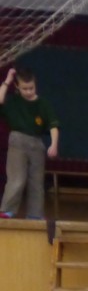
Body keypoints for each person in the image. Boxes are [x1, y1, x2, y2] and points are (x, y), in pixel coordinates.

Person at [0, 67, 60, 219]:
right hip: (17, 141)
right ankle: (7, 210)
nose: (28, 92)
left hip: (36, 143)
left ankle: (35, 214)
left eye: (31, 88)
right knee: (17, 178)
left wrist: (54, 144)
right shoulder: (14, 102)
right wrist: (7, 81)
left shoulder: (43, 104)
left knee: (36, 182)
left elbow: (53, 125)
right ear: (17, 87)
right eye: (24, 89)